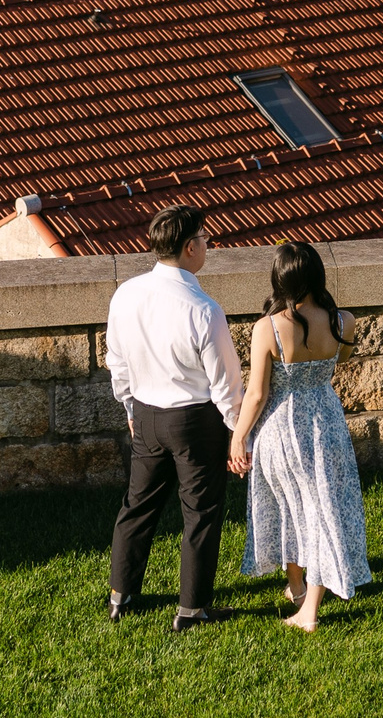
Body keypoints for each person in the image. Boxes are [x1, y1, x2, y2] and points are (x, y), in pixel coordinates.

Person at [106, 204, 243, 631]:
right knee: (199, 512)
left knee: (137, 506)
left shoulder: (126, 293)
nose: (208, 245)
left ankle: (120, 595)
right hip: (195, 421)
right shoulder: (204, 308)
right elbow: (224, 384)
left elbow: (117, 360)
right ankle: (192, 609)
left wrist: (130, 406)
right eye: (204, 239)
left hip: (145, 414)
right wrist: (239, 432)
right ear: (188, 248)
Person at [228, 240, 371, 632]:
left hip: (280, 427)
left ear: (280, 280)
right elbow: (336, 363)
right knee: (324, 509)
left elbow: (256, 394)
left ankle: (304, 603)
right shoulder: (345, 321)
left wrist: (238, 437)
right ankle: (302, 593)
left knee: (290, 507)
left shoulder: (267, 328)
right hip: (326, 422)